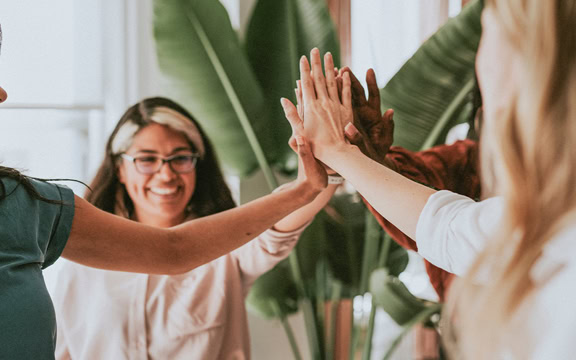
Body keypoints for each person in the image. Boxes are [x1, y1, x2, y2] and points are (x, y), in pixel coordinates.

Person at [0, 1, 329, 358]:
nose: (0, 90)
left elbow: (176, 251)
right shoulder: (80, 267)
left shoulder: (28, 209)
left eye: (181, 158)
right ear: (120, 166)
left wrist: (310, 184)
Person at [282, 0, 576, 355]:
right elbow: (440, 219)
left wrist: (342, 153)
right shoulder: (478, 171)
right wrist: (361, 158)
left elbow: (448, 227)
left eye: (488, 34)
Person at [51, 97, 339, 360]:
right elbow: (64, 350)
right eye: (147, 160)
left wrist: (324, 171)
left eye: (180, 159)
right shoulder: (83, 258)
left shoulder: (228, 248)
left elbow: (278, 230)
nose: (166, 174)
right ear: (120, 169)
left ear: (197, 166)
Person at [342, 67, 483, 301]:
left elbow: (440, 227)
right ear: (480, 118)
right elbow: (422, 200)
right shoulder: (466, 160)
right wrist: (370, 159)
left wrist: (342, 154)